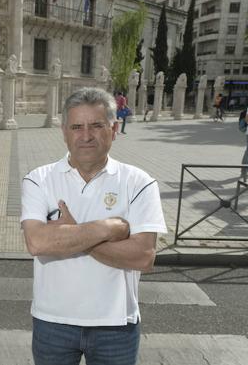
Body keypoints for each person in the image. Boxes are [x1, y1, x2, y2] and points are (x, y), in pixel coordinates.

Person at [21, 87, 168, 365]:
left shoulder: (139, 182)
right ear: (64, 131)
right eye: (77, 127)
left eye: (96, 126)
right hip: (53, 321)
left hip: (116, 325)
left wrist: (72, 232)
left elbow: (143, 257)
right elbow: (38, 243)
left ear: (113, 129)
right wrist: (109, 228)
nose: (86, 136)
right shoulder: (38, 179)